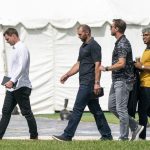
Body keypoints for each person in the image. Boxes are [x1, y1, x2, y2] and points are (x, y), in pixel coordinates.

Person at [52, 24, 113, 141]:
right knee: (97, 111)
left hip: (89, 83)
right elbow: (78, 64)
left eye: (80, 34)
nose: (78, 36)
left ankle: (67, 135)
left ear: (87, 32)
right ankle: (107, 135)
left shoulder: (94, 46)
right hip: (85, 82)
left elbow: (97, 65)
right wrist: (67, 75)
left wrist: (97, 83)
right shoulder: (83, 46)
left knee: (77, 109)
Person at [99, 19, 144, 140]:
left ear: (117, 29)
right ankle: (135, 126)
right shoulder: (119, 42)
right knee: (112, 107)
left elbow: (121, 63)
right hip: (118, 80)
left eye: (112, 27)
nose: (110, 29)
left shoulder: (122, 43)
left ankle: (123, 138)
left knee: (121, 108)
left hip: (123, 80)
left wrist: (106, 68)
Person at [0, 28, 38, 139]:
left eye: (7, 39)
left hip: (22, 86)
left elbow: (22, 66)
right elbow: (13, 70)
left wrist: (12, 80)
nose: (7, 41)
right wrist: (7, 81)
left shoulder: (22, 48)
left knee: (26, 112)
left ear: (13, 36)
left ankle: (34, 136)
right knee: (6, 111)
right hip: (12, 88)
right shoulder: (14, 49)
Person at [134, 27, 150, 140]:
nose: (144, 37)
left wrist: (142, 66)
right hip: (143, 83)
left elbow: (145, 67)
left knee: (142, 111)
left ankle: (142, 137)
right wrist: (138, 65)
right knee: (147, 110)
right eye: (143, 35)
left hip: (148, 85)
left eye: (147, 35)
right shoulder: (146, 49)